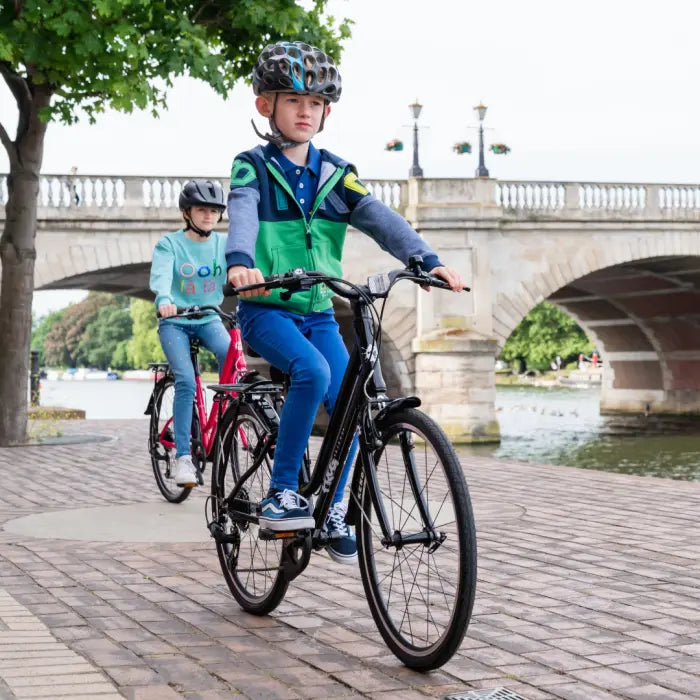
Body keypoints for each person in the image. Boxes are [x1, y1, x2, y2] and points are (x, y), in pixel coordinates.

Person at [225, 41, 465, 564]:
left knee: (352, 401)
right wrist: (241, 260)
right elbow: (241, 213)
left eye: (315, 104)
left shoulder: (337, 174)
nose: (305, 111)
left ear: (327, 112)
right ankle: (282, 492)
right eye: (293, 100)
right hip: (267, 309)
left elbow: (378, 216)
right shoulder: (253, 168)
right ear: (267, 105)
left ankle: (333, 506)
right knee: (310, 371)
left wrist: (424, 259)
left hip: (319, 312)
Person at [150, 180, 230, 487]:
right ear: (187, 213)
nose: (209, 216)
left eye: (214, 211)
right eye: (202, 210)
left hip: (208, 318)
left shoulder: (223, 245)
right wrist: (165, 299)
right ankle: (183, 458)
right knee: (185, 379)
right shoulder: (169, 244)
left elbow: (244, 264)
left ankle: (225, 419)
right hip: (176, 322)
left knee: (232, 360)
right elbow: (161, 275)